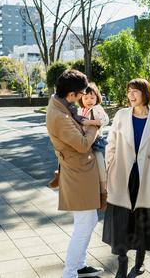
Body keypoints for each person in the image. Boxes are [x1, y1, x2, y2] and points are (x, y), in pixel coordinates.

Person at [102, 78, 150, 278]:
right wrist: (110, 167)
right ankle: (122, 265)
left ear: (145, 93)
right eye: (129, 91)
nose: (131, 95)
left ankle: (139, 262)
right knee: (121, 223)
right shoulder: (121, 115)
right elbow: (111, 144)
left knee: (143, 221)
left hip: (146, 179)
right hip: (122, 177)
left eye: (135, 91)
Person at [46, 69, 104, 278]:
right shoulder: (58, 115)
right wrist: (95, 126)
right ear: (71, 94)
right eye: (81, 94)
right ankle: (69, 273)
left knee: (90, 221)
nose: (82, 98)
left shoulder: (61, 106)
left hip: (80, 171)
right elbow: (81, 144)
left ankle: (79, 265)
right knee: (82, 226)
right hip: (78, 173)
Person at [78, 83, 109, 210]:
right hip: (82, 142)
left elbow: (104, 120)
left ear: (97, 97)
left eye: (92, 97)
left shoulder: (97, 109)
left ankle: (103, 194)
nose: (89, 100)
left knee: (101, 167)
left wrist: (89, 122)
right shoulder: (80, 110)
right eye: (86, 98)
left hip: (95, 143)